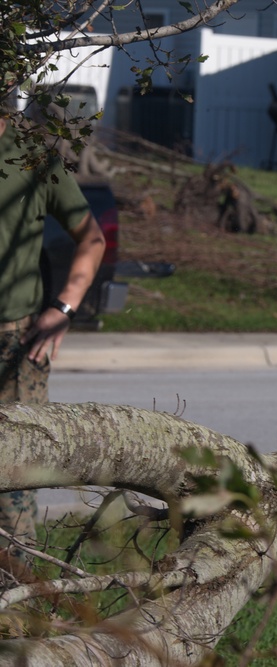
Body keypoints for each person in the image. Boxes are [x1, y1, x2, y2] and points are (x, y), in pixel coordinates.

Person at [0, 107, 106, 567]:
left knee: (12, 490)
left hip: (16, 344)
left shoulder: (34, 159)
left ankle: (14, 617)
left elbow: (91, 238)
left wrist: (64, 307)